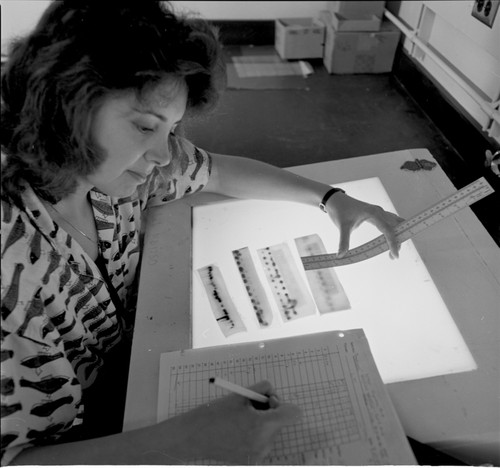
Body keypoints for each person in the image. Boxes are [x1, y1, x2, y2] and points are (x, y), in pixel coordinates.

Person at [0, 2, 402, 465]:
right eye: (145, 126)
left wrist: (330, 198)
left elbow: (218, 172)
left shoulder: (121, 174)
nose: (164, 155)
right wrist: (185, 443)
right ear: (66, 106)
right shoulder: (13, 266)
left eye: (171, 128)